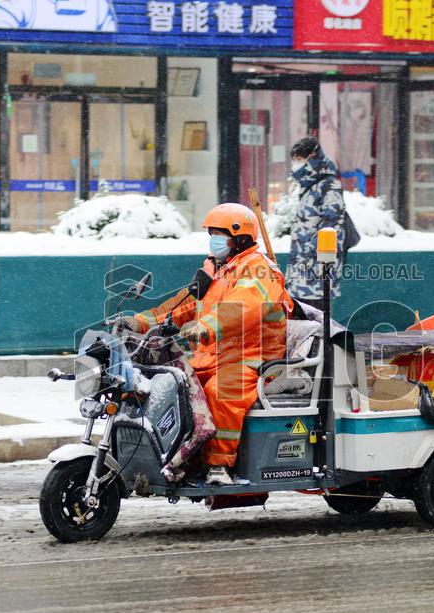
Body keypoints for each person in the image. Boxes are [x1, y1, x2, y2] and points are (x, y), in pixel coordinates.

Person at [121, 203, 294, 485]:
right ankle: (180, 458)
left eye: (219, 234)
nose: (213, 240)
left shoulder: (260, 270)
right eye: (211, 234)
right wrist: (141, 323)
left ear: (239, 238)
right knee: (172, 387)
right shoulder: (217, 270)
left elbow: (244, 307)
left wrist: (205, 327)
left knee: (221, 390)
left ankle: (218, 466)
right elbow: (184, 306)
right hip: (214, 357)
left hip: (254, 359)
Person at [287, 137, 346, 310]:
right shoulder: (310, 184)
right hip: (303, 268)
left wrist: (311, 250)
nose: (295, 165)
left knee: (316, 320)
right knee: (304, 319)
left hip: (317, 270)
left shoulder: (328, 184)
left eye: (299, 159)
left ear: (312, 157)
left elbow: (333, 222)